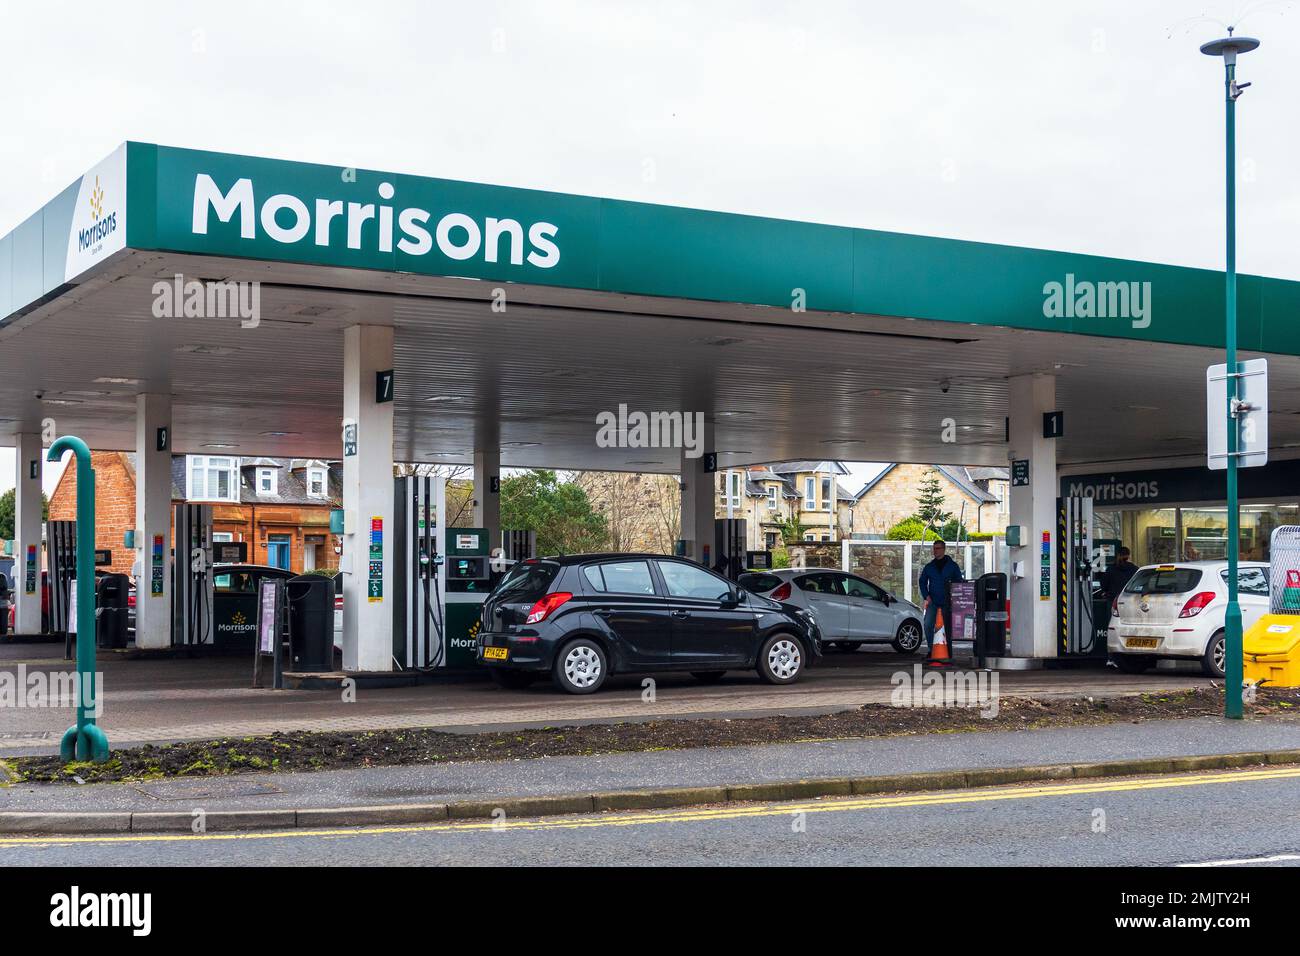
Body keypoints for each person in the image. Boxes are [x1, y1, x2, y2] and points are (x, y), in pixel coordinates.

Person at [918, 539, 964, 650]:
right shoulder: (929, 567)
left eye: (938, 548)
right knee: (928, 625)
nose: (935, 551)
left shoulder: (952, 566)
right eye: (934, 548)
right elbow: (922, 581)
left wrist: (955, 598)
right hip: (933, 602)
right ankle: (931, 650)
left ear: (944, 549)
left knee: (947, 628)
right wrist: (926, 596)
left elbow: (959, 582)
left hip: (948, 603)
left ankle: (947, 651)